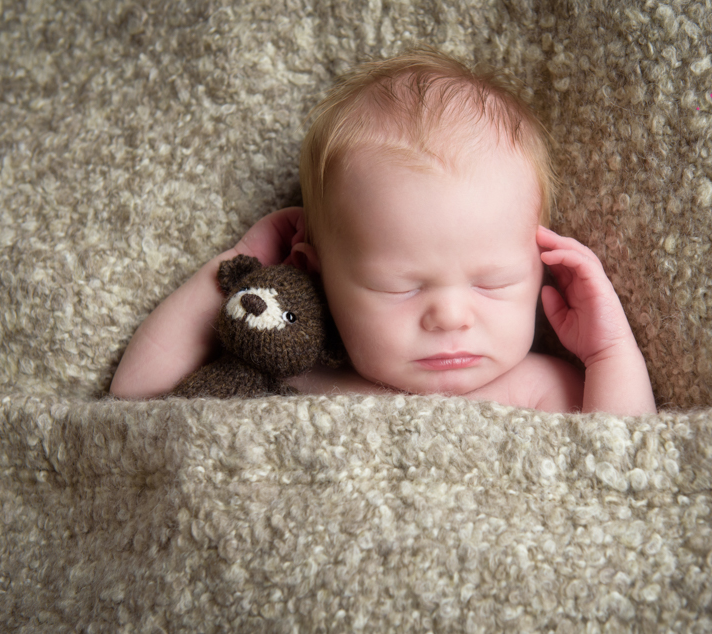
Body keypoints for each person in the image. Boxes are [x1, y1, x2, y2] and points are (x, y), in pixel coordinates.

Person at [110, 48, 656, 415]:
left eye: (492, 282)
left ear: (542, 269)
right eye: (401, 286)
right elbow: (138, 396)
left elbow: (621, 462)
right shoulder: (293, 378)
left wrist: (609, 351)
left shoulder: (540, 389)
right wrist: (239, 265)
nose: (450, 316)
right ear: (314, 274)